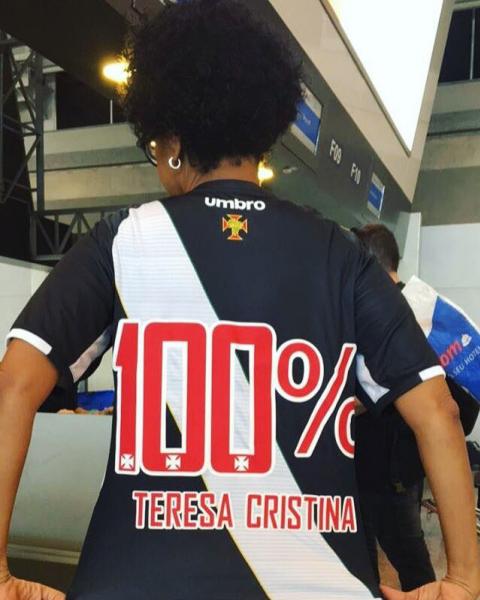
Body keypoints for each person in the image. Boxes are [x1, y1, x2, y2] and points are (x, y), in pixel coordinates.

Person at [0, 2, 478, 599]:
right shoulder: (342, 255)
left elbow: (15, 382)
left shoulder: (123, 240)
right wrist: (463, 580)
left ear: (171, 141)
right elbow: (439, 411)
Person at [353, 223, 479, 591]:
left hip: (386, 472)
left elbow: (453, 408)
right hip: (397, 469)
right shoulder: (428, 315)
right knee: (392, 563)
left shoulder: (397, 317)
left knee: (407, 564)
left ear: (366, 264)